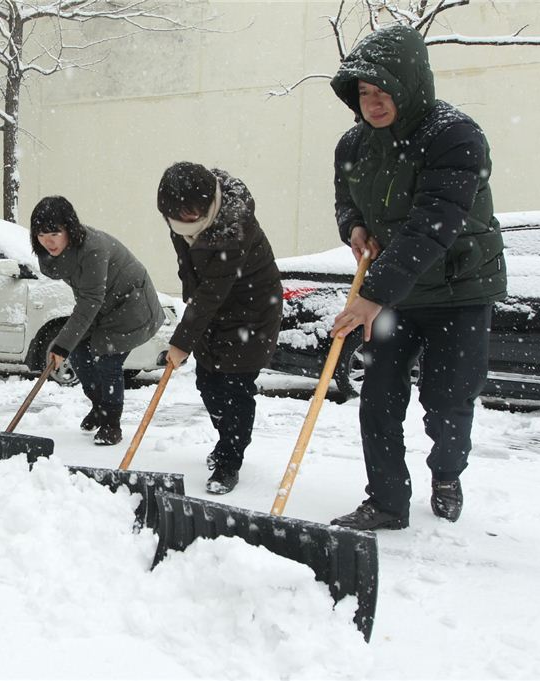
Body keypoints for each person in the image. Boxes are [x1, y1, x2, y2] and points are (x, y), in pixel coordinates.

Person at [327, 25, 507, 530]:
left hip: (459, 289)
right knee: (378, 397)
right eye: (364, 92)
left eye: (385, 90)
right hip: (395, 296)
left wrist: (372, 293)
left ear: (410, 86)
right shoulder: (352, 144)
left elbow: (435, 223)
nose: (374, 102)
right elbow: (347, 201)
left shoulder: (454, 135)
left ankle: (447, 472)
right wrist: (355, 227)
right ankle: (387, 502)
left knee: (447, 402)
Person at [156, 162, 283, 494]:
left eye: (191, 213)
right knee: (208, 382)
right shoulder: (180, 219)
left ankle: (230, 458)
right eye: (177, 215)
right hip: (212, 309)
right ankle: (229, 437)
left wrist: (183, 338)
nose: (185, 221)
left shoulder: (234, 226)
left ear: (208, 202)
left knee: (235, 387)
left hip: (251, 312)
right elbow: (190, 271)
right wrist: (192, 311)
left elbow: (213, 288)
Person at [30, 196, 165, 446]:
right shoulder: (58, 253)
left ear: (69, 228)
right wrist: (68, 344)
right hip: (104, 306)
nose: (47, 241)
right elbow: (86, 295)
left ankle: (111, 424)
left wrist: (60, 344)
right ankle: (100, 407)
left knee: (107, 361)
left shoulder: (93, 249)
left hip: (131, 305)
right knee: (80, 355)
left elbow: (90, 299)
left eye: (54, 233)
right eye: (40, 234)